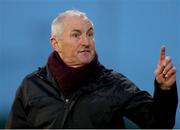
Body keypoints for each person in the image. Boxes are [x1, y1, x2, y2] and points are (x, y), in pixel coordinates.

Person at [6, 10, 178, 129]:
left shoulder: (115, 84)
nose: (86, 42)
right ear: (55, 43)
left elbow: (159, 124)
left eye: (90, 34)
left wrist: (164, 89)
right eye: (76, 35)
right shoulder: (32, 85)